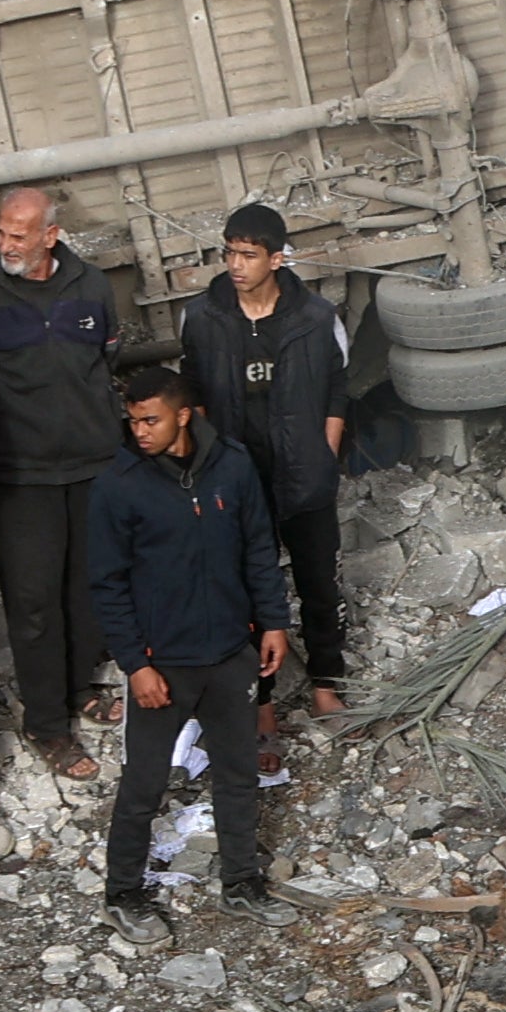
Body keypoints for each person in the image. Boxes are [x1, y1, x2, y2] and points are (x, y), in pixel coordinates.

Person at [88, 365, 295, 916]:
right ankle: (123, 894)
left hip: (231, 654)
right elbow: (106, 585)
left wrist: (274, 622)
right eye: (132, 421)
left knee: (237, 774)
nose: (140, 431)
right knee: (143, 785)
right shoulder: (118, 485)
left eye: (151, 420)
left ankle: (242, 884)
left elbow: (258, 548)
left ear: (184, 416)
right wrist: (135, 665)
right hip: (162, 665)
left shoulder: (232, 465)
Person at [0, 186, 123, 782]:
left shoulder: (93, 287)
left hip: (94, 466)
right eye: (1, 233)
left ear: (50, 235)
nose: (6, 245)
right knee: (32, 602)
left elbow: (105, 359)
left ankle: (78, 688)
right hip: (21, 476)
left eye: (18, 235)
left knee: (88, 588)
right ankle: (46, 724)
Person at [175, 204, 350, 720]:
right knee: (246, 592)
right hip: (237, 481)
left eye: (247, 255)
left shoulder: (317, 318)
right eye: (229, 252)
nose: (235, 265)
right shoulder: (201, 317)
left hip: (303, 475)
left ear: (276, 259)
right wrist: (208, 466)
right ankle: (263, 706)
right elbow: (194, 392)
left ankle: (326, 687)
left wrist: (325, 453)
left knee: (319, 585)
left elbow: (337, 390)